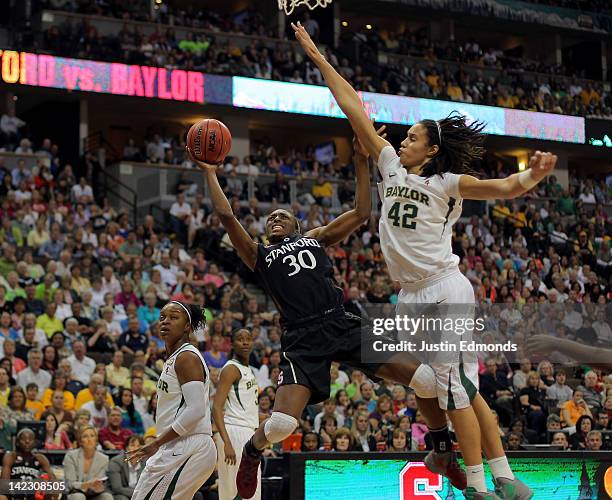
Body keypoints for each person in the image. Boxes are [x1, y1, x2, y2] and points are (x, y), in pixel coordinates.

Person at [292, 21, 555, 500]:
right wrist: (316, 56)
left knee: (453, 387)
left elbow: (502, 188)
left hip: (443, 287)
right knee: (440, 386)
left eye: (413, 137)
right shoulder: (390, 165)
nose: (404, 140)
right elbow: (353, 106)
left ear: (432, 150)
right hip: (409, 295)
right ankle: (502, 474)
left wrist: (530, 178)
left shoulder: (446, 183)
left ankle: (478, 484)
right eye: (405, 136)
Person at [189, 129, 454, 499]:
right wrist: (210, 173)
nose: (275, 220)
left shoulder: (316, 237)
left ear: (298, 227)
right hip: (302, 337)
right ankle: (253, 450)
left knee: (425, 379)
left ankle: (442, 450)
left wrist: (361, 159)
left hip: (341, 321)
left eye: (283, 217)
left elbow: (362, 212)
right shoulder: (259, 255)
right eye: (271, 219)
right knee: (281, 424)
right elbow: (226, 215)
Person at [128, 301, 216, 499]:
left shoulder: (187, 357)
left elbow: (196, 410)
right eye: (162, 318)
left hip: (188, 445)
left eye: (173, 317)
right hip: (178, 445)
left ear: (187, 326)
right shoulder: (175, 357)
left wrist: (157, 442)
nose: (165, 322)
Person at [212, 329, 262, 500]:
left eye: (248, 339)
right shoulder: (231, 369)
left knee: (250, 492)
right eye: (240, 339)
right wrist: (227, 442)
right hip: (234, 433)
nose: (246, 342)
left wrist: (268, 419)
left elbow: (246, 408)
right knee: (234, 491)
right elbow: (216, 407)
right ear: (232, 344)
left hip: (248, 432)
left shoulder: (248, 370)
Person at [0, 428, 57, 500]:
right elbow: (4, 484)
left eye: (30, 439)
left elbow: (53, 480)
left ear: (35, 442)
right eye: (23, 439)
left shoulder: (41, 458)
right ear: (17, 442)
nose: (27, 441)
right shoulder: (11, 457)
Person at [63, 425, 113, 500]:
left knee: (107, 497)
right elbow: (70, 483)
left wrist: (99, 486)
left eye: (92, 436)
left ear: (96, 440)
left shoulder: (104, 459)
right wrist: (86, 485)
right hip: (75, 493)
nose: (89, 439)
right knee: (79, 497)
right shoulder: (71, 456)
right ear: (80, 441)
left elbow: (101, 482)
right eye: (85, 436)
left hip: (94, 494)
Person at [108, 435, 146, 500]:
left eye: (139, 446)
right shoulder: (116, 462)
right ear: (126, 448)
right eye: (132, 445)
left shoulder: (146, 463)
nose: (136, 449)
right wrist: (138, 493)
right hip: (120, 494)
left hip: (140, 495)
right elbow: (117, 488)